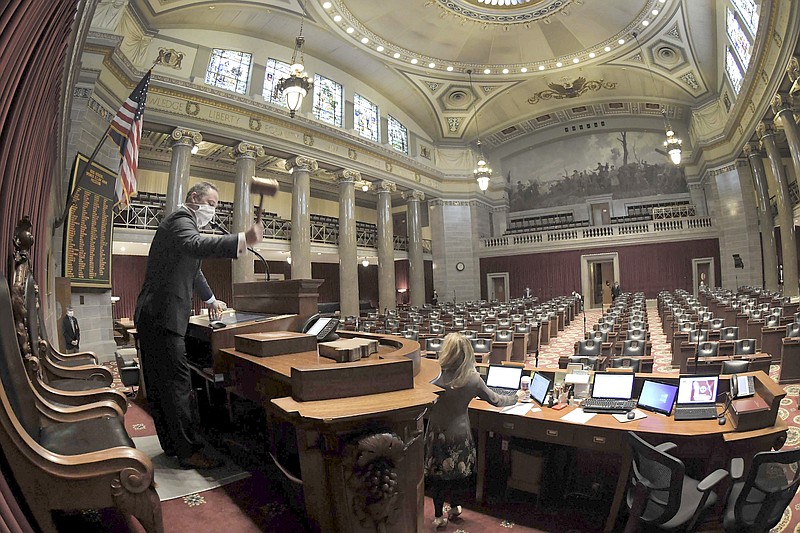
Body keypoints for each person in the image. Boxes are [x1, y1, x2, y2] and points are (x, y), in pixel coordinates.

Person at [134, 181, 263, 470]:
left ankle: (172, 445)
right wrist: (242, 239)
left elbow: (194, 271)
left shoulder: (181, 225)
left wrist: (212, 299)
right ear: (194, 198)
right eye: (212, 204)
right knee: (177, 386)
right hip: (162, 317)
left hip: (154, 316)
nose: (213, 212)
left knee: (161, 386)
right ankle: (188, 451)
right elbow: (194, 246)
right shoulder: (181, 221)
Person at [424, 333, 520, 528]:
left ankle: (438, 516)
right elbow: (496, 400)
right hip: (459, 433)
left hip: (436, 432)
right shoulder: (473, 379)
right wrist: (516, 397)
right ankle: (455, 507)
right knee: (459, 474)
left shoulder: (433, 375)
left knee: (438, 476)